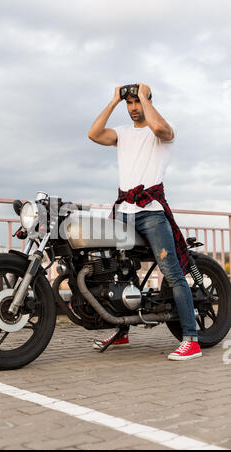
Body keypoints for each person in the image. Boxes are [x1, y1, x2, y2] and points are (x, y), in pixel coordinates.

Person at [88, 83, 202, 361]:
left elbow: (161, 129)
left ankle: (191, 339)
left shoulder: (163, 130)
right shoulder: (122, 134)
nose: (133, 108)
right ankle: (122, 331)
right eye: (130, 104)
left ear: (147, 101)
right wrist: (114, 100)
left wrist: (145, 96)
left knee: (171, 272)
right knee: (121, 272)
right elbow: (93, 134)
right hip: (124, 212)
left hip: (151, 212)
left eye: (137, 102)